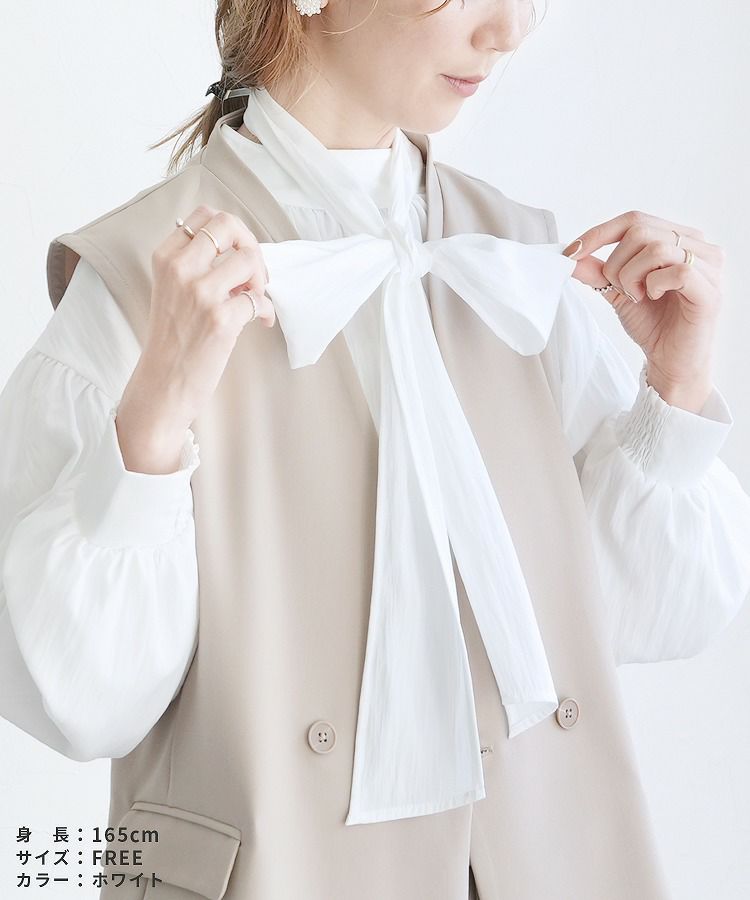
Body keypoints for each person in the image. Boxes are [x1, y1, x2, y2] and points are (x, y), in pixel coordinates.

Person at [1, 2, 749, 898]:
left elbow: (647, 615)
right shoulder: (137, 284)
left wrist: (676, 384)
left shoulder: (511, 263)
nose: (508, 30)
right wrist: (157, 408)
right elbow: (80, 702)